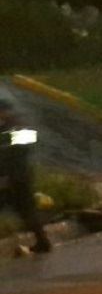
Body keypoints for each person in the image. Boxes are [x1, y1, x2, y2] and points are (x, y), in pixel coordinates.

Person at [0, 99, 51, 253]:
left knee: (25, 209)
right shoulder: (12, 125)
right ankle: (42, 241)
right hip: (18, 175)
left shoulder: (14, 126)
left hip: (13, 176)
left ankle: (42, 241)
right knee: (26, 209)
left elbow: (19, 147)